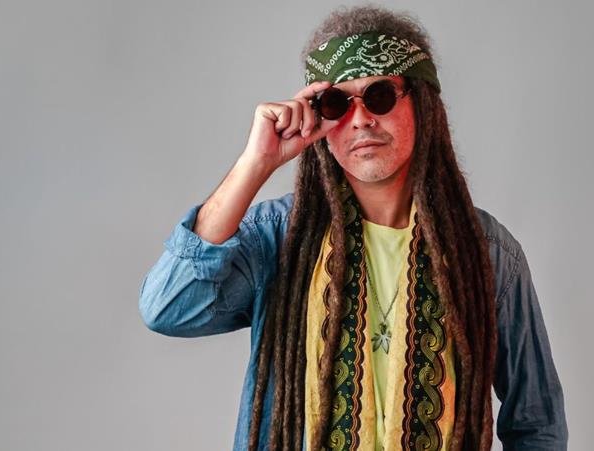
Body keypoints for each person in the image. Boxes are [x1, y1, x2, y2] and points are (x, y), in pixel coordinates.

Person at [139, 5, 567, 450]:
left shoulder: (486, 252)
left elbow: (537, 423)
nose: (361, 119)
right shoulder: (281, 238)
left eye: (380, 95)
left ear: (423, 105)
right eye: (336, 104)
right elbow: (166, 307)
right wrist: (256, 163)